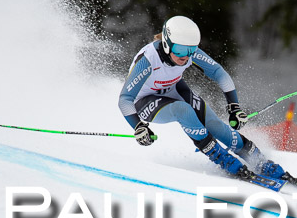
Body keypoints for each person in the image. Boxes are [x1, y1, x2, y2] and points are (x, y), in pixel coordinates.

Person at [117, 15, 286, 180]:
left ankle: (258, 160)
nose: (186, 56)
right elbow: (125, 99)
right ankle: (222, 158)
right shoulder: (148, 60)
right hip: (145, 101)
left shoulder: (189, 53)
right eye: (180, 50)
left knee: (215, 125)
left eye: (191, 49)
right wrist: (138, 127)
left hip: (173, 89)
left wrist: (234, 107)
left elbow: (219, 73)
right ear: (167, 44)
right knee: (183, 110)